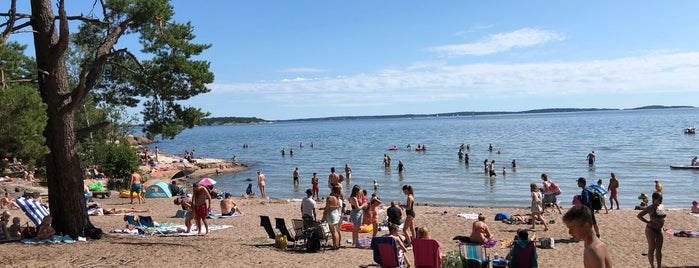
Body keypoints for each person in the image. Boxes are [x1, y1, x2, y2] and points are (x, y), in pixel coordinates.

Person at [637, 192, 666, 268]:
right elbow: (639, 216)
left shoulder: (662, 206)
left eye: (661, 199)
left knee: (659, 249)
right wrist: (648, 222)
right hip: (651, 230)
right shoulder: (650, 207)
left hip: (659, 230)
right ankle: (652, 266)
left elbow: (663, 217)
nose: (661, 200)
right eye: (659, 199)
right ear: (654, 199)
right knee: (652, 248)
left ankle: (659, 266)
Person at [321, 185, 342, 250]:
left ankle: (334, 245)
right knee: (336, 231)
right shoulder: (337, 198)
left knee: (333, 231)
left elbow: (327, 208)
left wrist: (323, 209)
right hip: (336, 214)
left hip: (331, 215)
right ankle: (337, 244)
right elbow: (337, 206)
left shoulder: (329, 197)